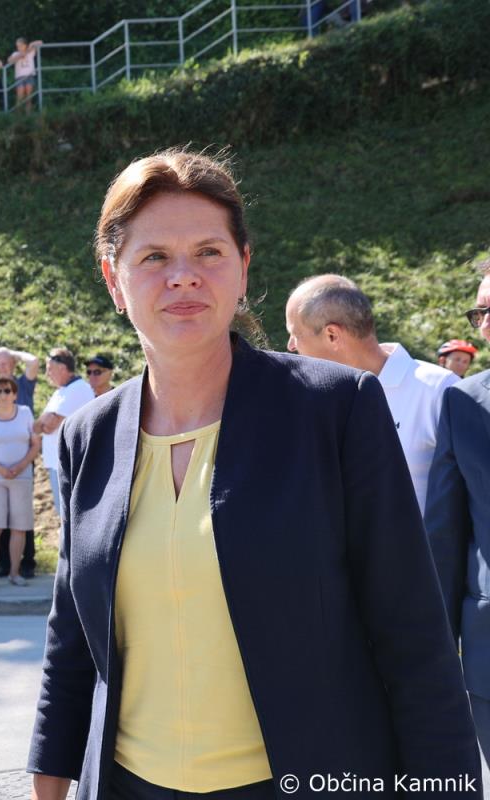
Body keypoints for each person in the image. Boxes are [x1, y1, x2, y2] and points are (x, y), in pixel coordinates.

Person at [29, 149, 480, 800]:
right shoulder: (87, 437)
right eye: (154, 257)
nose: (183, 276)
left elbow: (414, 640)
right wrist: (48, 785)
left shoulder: (336, 409)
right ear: (113, 280)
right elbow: (71, 647)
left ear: (243, 266)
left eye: (208, 252)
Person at [285, 274, 458, 513]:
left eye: (295, 334)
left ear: (332, 335)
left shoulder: (440, 390)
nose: (290, 346)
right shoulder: (310, 397)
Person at [427, 257, 490, 765]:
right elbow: (446, 531)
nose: (484, 324)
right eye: (480, 313)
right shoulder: (463, 402)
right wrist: (438, 643)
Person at [0, 346, 41, 579]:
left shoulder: (23, 384)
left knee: (21, 520)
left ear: (13, 364)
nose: (2, 368)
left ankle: (26, 564)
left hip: (22, 461)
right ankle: (4, 565)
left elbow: (34, 361)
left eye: (5, 363)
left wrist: (13, 353)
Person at [34, 347, 95, 522]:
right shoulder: (61, 392)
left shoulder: (77, 389)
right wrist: (45, 420)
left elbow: (49, 425)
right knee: (65, 515)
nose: (47, 374)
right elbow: (38, 427)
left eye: (49, 368)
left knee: (70, 516)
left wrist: (46, 420)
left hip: (69, 463)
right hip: (59, 463)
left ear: (62, 368)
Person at [7, 37, 44, 113]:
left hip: (29, 76)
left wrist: (31, 44)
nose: (19, 48)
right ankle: (18, 116)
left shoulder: (31, 51)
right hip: (20, 78)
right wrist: (20, 55)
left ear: (25, 45)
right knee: (20, 97)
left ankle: (28, 116)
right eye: (17, 46)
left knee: (28, 98)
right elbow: (9, 61)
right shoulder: (15, 53)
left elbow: (41, 42)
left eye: (20, 45)